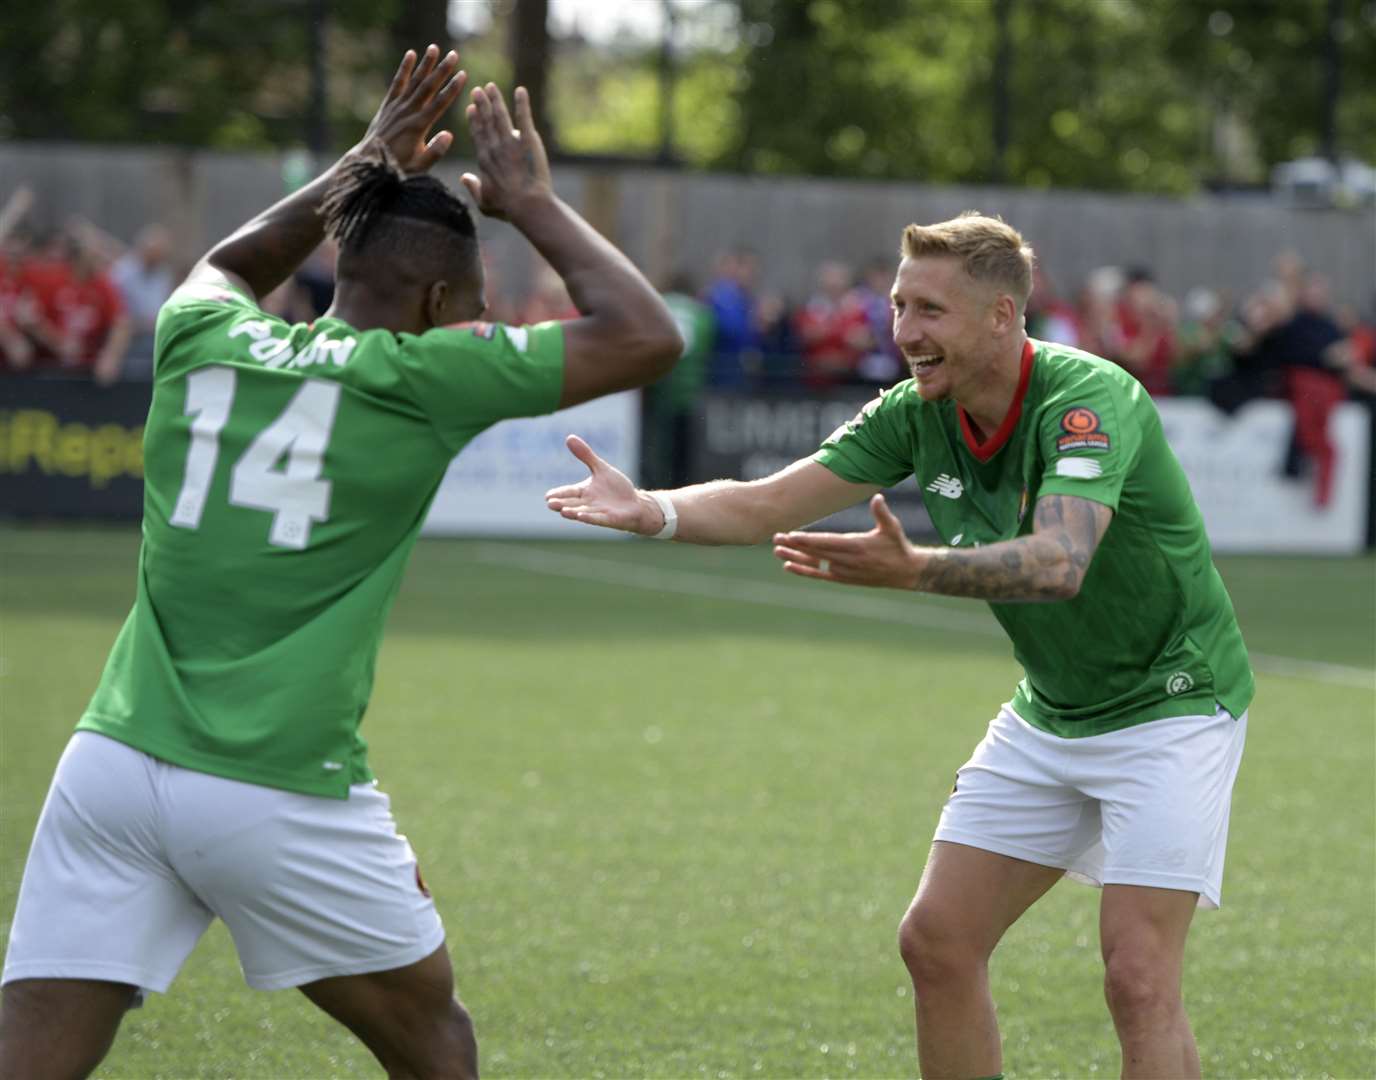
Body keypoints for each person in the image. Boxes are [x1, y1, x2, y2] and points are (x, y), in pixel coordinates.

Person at [0, 45, 680, 1080]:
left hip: (111, 765)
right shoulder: (422, 374)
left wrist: (362, 159)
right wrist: (531, 202)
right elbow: (644, 335)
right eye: (472, 304)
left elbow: (226, 265)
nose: (480, 323)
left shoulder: (203, 336)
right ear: (426, 307)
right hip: (276, 784)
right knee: (434, 1045)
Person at [546, 212, 1253, 1079]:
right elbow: (767, 504)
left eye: (929, 311)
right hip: (1055, 709)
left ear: (1002, 316)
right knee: (938, 942)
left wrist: (916, 569)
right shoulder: (917, 410)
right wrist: (650, 510)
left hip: (1172, 704)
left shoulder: (1086, 398)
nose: (905, 332)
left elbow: (1060, 562)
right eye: (897, 305)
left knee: (1139, 980)